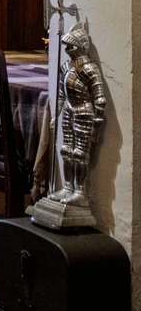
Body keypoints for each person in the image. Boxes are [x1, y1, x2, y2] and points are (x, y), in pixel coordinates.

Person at [49, 21, 106, 207]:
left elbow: (99, 99)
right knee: (66, 150)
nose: (67, 49)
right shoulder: (66, 67)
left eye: (71, 46)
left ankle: (80, 191)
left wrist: (96, 125)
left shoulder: (89, 69)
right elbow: (60, 92)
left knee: (80, 153)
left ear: (81, 46)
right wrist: (56, 114)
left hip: (83, 111)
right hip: (68, 108)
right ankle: (67, 186)